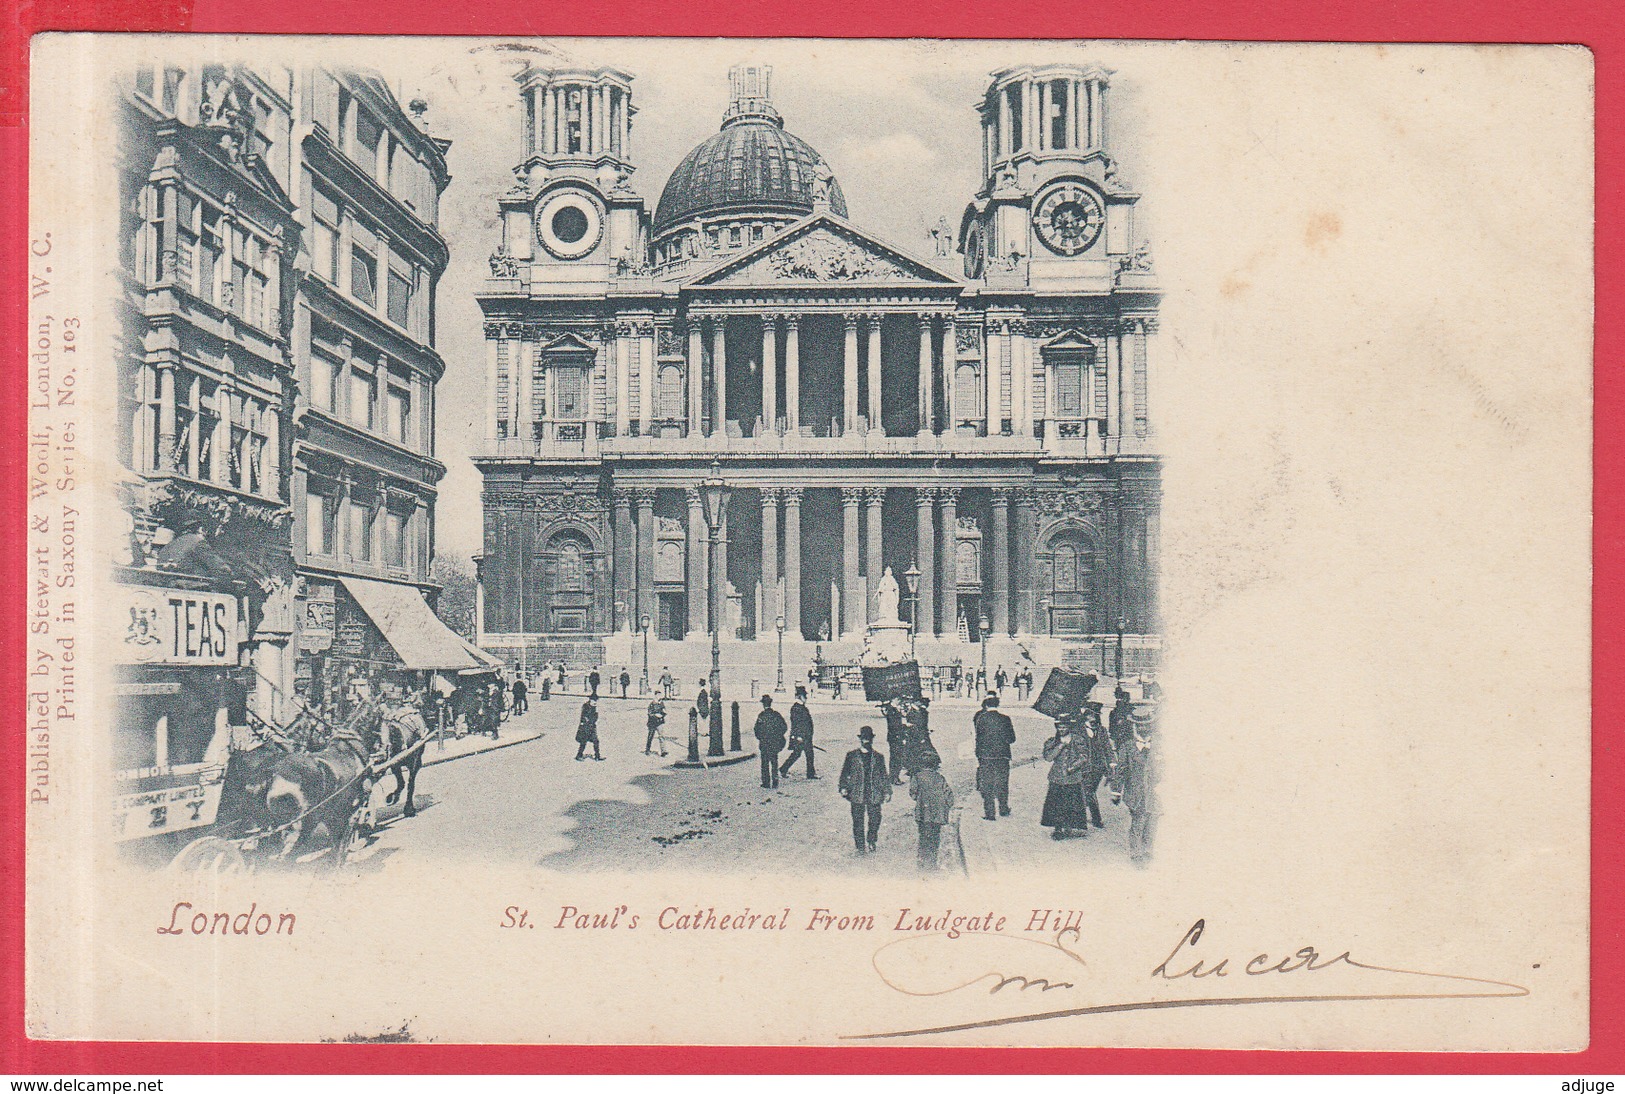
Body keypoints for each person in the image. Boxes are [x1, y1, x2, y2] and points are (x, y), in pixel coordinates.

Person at [1114, 700, 1161, 865]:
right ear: (1134, 728)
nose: (1143, 729)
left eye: (1146, 726)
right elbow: (1120, 771)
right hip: (1136, 793)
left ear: (1151, 727)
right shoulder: (1127, 747)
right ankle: (1136, 853)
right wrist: (1116, 791)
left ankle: (1148, 850)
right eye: (1139, 726)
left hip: (1155, 793)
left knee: (1152, 822)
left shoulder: (1159, 746)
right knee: (1138, 822)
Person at [838, 726, 891, 854]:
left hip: (874, 792)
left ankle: (872, 840)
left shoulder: (878, 757)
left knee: (875, 819)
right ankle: (860, 846)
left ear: (872, 740)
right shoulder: (851, 756)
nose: (866, 741)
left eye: (868, 739)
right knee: (857, 820)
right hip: (857, 792)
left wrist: (887, 791)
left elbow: (884, 775)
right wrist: (843, 787)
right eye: (864, 739)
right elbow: (845, 773)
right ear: (860, 739)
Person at [1040, 714, 1092, 839]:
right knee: (1056, 804)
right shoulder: (1053, 741)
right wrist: (1060, 746)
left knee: (1071, 803)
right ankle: (1058, 829)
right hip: (1056, 777)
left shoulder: (1078, 740)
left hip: (1073, 777)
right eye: (1059, 727)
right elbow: (1048, 757)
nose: (1061, 730)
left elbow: (1084, 756)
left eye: (1064, 727)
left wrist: (1072, 767)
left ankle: (1069, 827)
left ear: (1069, 727)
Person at [973, 693, 1016, 820]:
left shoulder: (981, 718)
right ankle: (1003, 808)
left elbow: (978, 737)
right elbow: (1012, 739)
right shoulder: (1006, 719)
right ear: (998, 705)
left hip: (986, 756)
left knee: (987, 784)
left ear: (986, 705)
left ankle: (990, 813)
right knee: (1002, 783)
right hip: (1002, 756)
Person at [909, 751, 954, 872]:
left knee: (923, 836)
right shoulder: (940, 778)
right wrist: (945, 807)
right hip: (937, 815)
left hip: (923, 814)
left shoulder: (917, 777)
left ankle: (922, 860)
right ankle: (932, 863)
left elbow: (913, 793)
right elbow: (949, 795)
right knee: (935, 837)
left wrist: (920, 799)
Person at [1079, 700, 1115, 829]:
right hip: (1084, 767)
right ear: (1087, 715)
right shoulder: (1079, 730)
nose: (1094, 718)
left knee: (1089, 791)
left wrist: (1111, 763)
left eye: (1096, 715)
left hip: (1099, 768)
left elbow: (1107, 748)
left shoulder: (1101, 730)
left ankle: (1085, 817)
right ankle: (1096, 819)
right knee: (1088, 791)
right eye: (1092, 715)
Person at [782, 685, 819, 779]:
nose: (805, 698)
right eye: (804, 696)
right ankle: (810, 774)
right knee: (802, 754)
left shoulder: (801, 707)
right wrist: (799, 736)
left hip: (805, 736)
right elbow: (796, 723)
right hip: (801, 736)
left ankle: (784, 768)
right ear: (799, 696)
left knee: (801, 754)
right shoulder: (796, 708)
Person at [752, 694, 788, 789]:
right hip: (775, 742)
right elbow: (784, 727)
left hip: (764, 743)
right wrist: (778, 736)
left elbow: (756, 729)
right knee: (774, 761)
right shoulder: (776, 715)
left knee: (764, 762)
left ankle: (766, 782)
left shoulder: (761, 716)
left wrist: (761, 738)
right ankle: (775, 779)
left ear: (763, 705)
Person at [883, 700, 909, 785]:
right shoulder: (892, 710)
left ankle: (893, 777)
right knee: (896, 758)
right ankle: (894, 778)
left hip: (895, 737)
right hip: (895, 737)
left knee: (895, 757)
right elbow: (894, 725)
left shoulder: (892, 709)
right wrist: (905, 727)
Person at [575, 696, 603, 761]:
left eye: (596, 701)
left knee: (596, 741)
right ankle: (578, 755)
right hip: (585, 727)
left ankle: (597, 756)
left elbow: (596, 717)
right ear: (590, 700)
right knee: (583, 741)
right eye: (594, 701)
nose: (595, 702)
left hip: (592, 727)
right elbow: (583, 717)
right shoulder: (585, 706)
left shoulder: (594, 707)